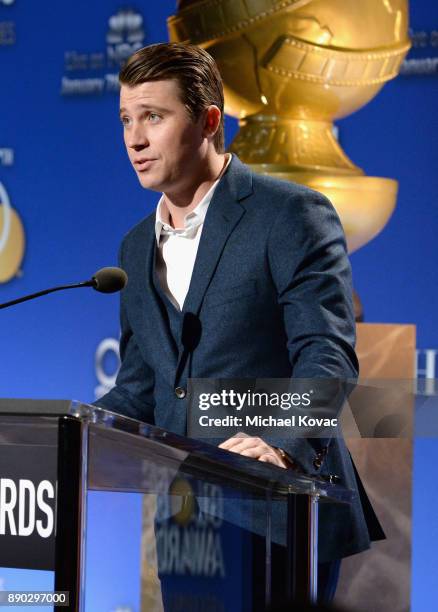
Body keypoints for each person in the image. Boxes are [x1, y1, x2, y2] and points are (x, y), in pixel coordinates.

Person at [95, 42, 383, 606]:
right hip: (185, 520)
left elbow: (326, 353)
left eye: (154, 116)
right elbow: (142, 384)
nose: (135, 139)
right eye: (127, 119)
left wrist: (280, 445)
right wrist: (75, 432)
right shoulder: (133, 248)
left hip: (277, 506)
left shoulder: (290, 214)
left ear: (209, 121)